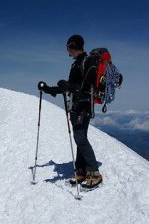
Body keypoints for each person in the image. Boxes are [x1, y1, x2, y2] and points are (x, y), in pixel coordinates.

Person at [39, 34, 103, 190]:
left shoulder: (89, 62)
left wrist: (69, 86)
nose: (66, 49)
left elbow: (86, 86)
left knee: (80, 138)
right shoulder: (76, 65)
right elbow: (68, 87)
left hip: (84, 106)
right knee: (80, 138)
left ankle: (94, 173)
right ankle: (81, 171)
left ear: (73, 46)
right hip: (75, 107)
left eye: (68, 46)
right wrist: (47, 89)